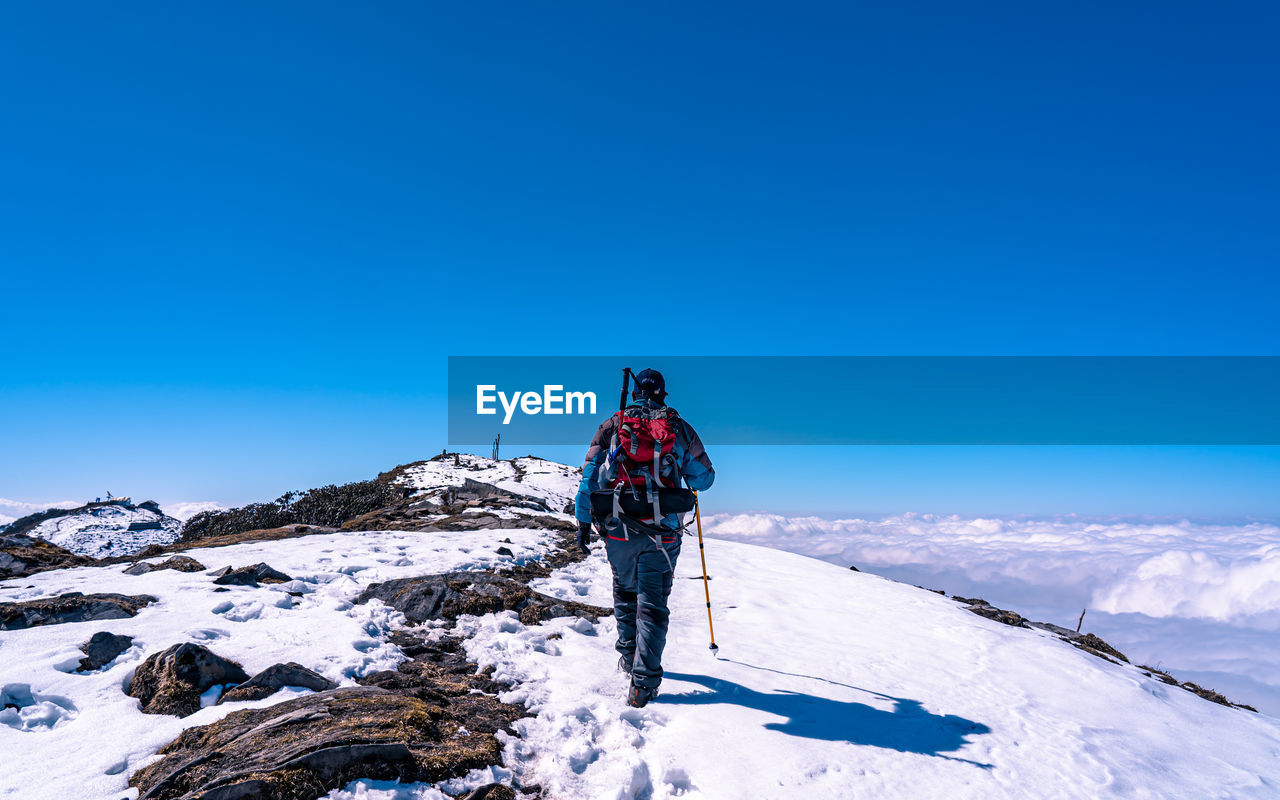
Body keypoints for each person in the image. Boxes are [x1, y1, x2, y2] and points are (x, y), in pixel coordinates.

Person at [574, 368, 715, 707]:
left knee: (624, 591)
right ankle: (643, 686)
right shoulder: (677, 428)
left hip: (618, 531)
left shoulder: (612, 425)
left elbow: (589, 477)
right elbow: (705, 478)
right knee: (652, 605)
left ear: (636, 393)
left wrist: (582, 523)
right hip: (662, 533)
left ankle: (627, 656)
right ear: (663, 393)